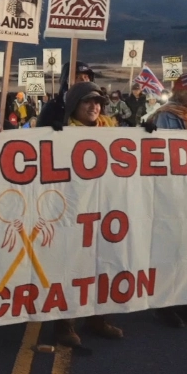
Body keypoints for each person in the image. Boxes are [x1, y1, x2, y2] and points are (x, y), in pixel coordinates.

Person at [41, 82, 124, 348]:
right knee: (70, 265)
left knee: (104, 264)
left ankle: (98, 318)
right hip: (72, 210)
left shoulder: (113, 132)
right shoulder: (61, 133)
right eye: (87, 101)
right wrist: (51, 136)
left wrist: (146, 137)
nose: (94, 107)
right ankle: (65, 323)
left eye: (98, 102)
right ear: (74, 106)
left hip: (105, 208)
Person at [145, 73, 187, 326]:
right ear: (179, 94)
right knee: (169, 250)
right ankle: (164, 304)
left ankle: (185, 303)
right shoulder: (167, 116)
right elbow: (173, 155)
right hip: (170, 195)